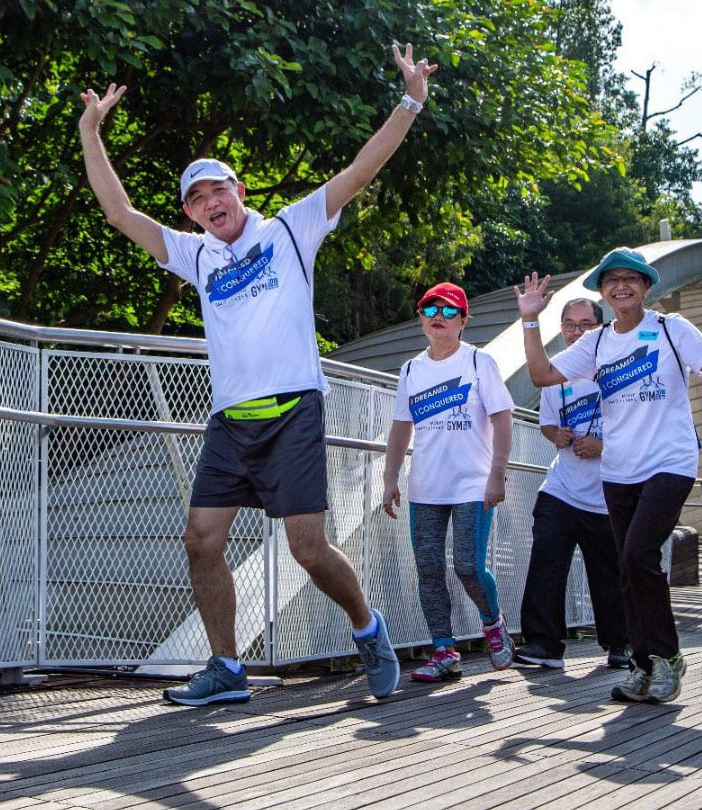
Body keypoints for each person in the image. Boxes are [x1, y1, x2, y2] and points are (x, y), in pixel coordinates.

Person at [77, 43, 438, 706]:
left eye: (219, 189)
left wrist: (410, 99)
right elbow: (119, 215)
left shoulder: (291, 230)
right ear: (190, 214)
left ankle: (368, 628)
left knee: (307, 548)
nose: (211, 202)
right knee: (200, 539)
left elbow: (361, 170)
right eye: (197, 199)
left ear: (240, 192)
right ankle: (227, 669)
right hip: (230, 421)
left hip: (294, 411)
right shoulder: (194, 256)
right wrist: (90, 131)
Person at [514, 249, 702, 704]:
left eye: (631, 279)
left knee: (639, 554)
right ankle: (642, 664)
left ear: (646, 286)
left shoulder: (669, 329)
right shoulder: (596, 343)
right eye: (611, 280)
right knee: (628, 568)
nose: (621, 286)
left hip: (669, 463)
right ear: (602, 291)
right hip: (618, 472)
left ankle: (666, 658)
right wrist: (531, 321)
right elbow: (541, 375)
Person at [382, 282, 516, 682]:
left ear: (463, 321)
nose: (437, 316)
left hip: (473, 486)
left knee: (469, 567)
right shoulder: (411, 369)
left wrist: (497, 475)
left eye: (448, 310)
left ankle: (492, 622)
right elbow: (401, 427)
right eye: (430, 309)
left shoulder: (479, 362)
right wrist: (390, 478)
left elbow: (503, 419)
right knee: (428, 567)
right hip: (427, 487)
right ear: (421, 318)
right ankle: (443, 650)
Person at [514, 298, 631, 672]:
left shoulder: (618, 372)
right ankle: (543, 644)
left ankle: (620, 643)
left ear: (601, 328)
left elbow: (640, 430)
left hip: (606, 492)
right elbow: (547, 422)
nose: (576, 332)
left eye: (585, 324)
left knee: (608, 571)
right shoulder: (554, 373)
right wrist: (556, 435)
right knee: (547, 554)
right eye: (568, 324)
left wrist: (603, 445)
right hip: (561, 486)